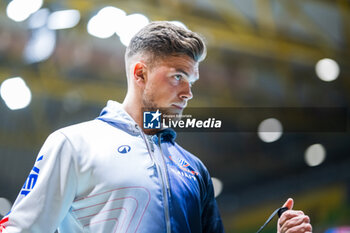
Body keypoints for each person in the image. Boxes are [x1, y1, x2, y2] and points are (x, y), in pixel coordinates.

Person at [0, 21, 312, 233]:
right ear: (140, 74)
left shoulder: (194, 169)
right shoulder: (74, 143)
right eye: (178, 76)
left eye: (192, 81)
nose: (188, 92)